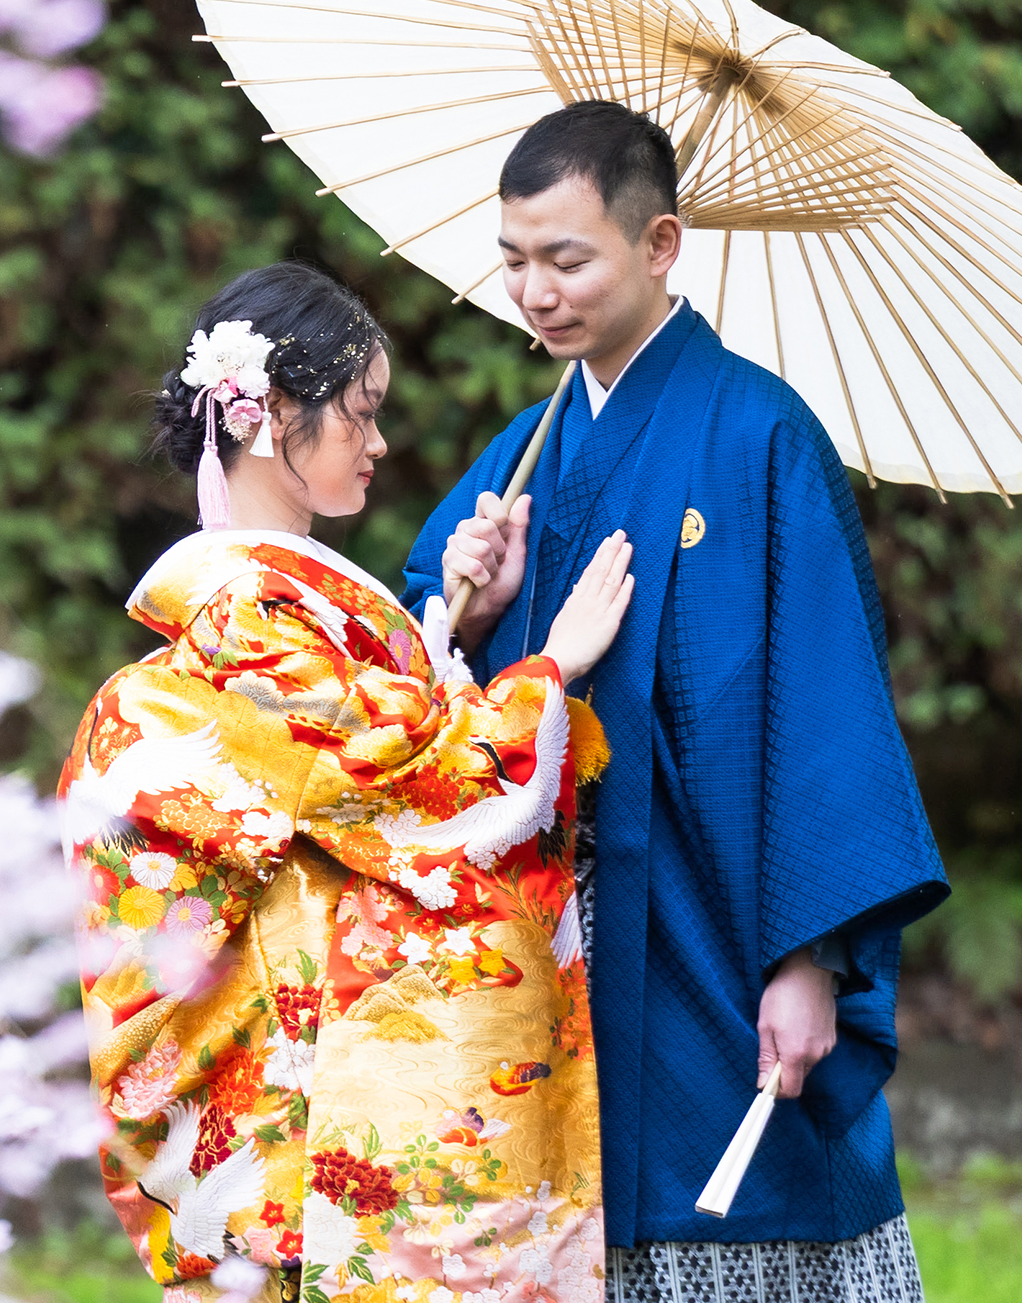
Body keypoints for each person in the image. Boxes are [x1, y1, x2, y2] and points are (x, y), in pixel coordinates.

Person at [400, 102, 949, 1303]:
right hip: (561, 946)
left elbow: (822, 711)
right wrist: (472, 605)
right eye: (513, 262)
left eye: (567, 259)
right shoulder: (519, 453)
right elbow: (414, 661)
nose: (535, 293)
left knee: (744, 1199)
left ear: (659, 245)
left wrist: (811, 955)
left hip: (716, 926)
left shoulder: (761, 434)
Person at [64, 261, 640, 1303]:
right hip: (288, 1112)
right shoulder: (246, 617)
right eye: (360, 413)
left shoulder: (266, 618)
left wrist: (449, 630)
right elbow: (413, 782)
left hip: (286, 1097)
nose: (376, 442)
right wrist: (547, 667)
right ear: (272, 409)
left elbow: (347, 755)